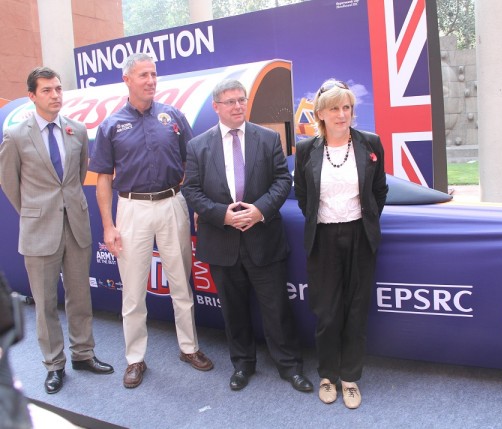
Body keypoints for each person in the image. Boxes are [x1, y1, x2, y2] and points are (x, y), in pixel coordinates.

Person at [88, 53, 213, 389]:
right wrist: (108, 225)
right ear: (127, 79)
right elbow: (102, 179)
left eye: (154, 74)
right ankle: (135, 359)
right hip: (131, 210)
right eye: (143, 75)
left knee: (181, 283)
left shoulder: (172, 116)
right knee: (132, 291)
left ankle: (189, 348)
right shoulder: (111, 125)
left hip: (173, 202)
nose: (151, 80)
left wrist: (195, 202)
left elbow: (194, 161)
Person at [182, 79, 313, 393]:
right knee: (233, 309)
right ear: (216, 107)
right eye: (230, 101)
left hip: (263, 238)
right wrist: (221, 215)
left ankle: (290, 366)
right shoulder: (198, 146)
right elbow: (191, 190)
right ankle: (242, 364)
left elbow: (283, 181)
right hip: (221, 241)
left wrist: (259, 211)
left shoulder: (268, 138)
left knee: (276, 308)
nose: (238, 106)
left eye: (241, 99)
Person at [0, 67, 114, 395]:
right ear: (32, 96)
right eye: (47, 90)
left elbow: (76, 178)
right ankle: (54, 364)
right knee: (46, 302)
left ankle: (83, 354)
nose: (55, 95)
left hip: (75, 226)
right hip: (39, 231)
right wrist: (33, 212)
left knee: (80, 296)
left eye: (59, 89)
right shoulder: (17, 135)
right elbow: (9, 182)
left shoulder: (76, 131)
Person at [294, 79, 388, 409]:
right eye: (334, 108)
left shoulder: (370, 144)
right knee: (327, 312)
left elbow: (379, 191)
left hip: (360, 237)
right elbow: (303, 196)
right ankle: (327, 375)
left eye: (346, 107)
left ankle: (349, 379)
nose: (342, 114)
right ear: (320, 113)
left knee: (356, 309)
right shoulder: (306, 150)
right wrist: (322, 219)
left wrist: (366, 220)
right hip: (323, 238)